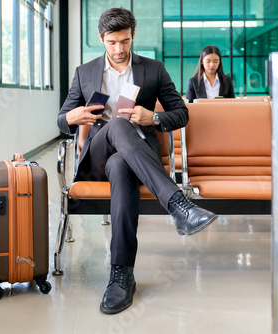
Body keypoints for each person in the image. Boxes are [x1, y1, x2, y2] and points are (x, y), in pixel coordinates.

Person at [57, 8, 218, 315]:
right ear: (101, 39)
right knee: (116, 125)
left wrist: (153, 116)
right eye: (112, 42)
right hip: (97, 155)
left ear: (133, 36)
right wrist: (71, 117)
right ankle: (178, 205)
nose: (119, 49)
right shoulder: (84, 72)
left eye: (125, 41)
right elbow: (61, 120)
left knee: (121, 166)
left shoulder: (153, 69)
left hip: (134, 155)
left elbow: (181, 113)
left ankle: (121, 275)